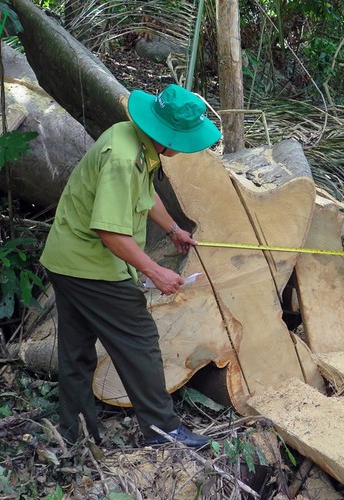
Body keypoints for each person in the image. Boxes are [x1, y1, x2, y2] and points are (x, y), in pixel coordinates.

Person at [40, 84, 221, 446]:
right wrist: (156, 271)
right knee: (139, 340)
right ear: (167, 135)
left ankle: (72, 432)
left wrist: (173, 229)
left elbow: (145, 192)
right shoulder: (124, 158)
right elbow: (110, 232)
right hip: (92, 265)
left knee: (75, 351)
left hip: (66, 258)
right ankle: (163, 429)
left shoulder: (131, 138)